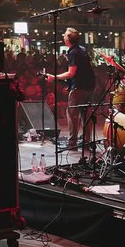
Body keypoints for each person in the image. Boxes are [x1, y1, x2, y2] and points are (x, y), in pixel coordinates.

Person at [42, 27, 97, 155]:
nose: (63, 37)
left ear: (68, 39)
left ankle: (72, 144)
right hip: (89, 86)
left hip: (79, 87)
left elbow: (72, 72)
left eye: (65, 36)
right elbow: (83, 70)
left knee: (72, 114)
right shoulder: (82, 49)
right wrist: (70, 84)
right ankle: (86, 142)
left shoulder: (72, 52)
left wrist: (55, 77)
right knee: (85, 115)